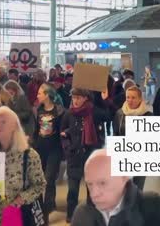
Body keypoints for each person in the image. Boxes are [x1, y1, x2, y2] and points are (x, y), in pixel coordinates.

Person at [0, 106, 46, 226]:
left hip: (15, 217)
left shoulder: (29, 155)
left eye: (3, 122)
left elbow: (40, 185)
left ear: (14, 126)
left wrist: (21, 199)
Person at [72, 149, 160, 226]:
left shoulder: (156, 207)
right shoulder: (82, 214)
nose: (94, 193)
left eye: (102, 183)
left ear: (123, 178)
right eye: (90, 184)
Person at [60, 88, 109, 223]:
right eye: (74, 98)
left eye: (78, 98)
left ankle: (92, 216)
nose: (75, 101)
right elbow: (62, 132)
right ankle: (71, 215)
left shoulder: (93, 112)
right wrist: (67, 147)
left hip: (90, 156)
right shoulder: (68, 114)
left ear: (85, 98)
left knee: (92, 190)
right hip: (74, 157)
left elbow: (107, 116)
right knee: (73, 190)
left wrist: (104, 101)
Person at [34, 84, 66, 218]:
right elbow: (36, 129)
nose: (37, 95)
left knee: (49, 178)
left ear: (47, 95)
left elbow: (62, 129)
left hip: (54, 149)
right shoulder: (38, 110)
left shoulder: (59, 111)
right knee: (39, 179)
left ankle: (48, 207)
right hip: (40, 149)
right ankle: (41, 205)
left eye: (40, 93)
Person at [112, 86, 152, 190]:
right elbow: (116, 135)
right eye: (128, 97)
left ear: (140, 99)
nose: (130, 100)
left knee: (138, 189)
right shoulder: (119, 114)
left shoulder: (148, 116)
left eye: (133, 98)